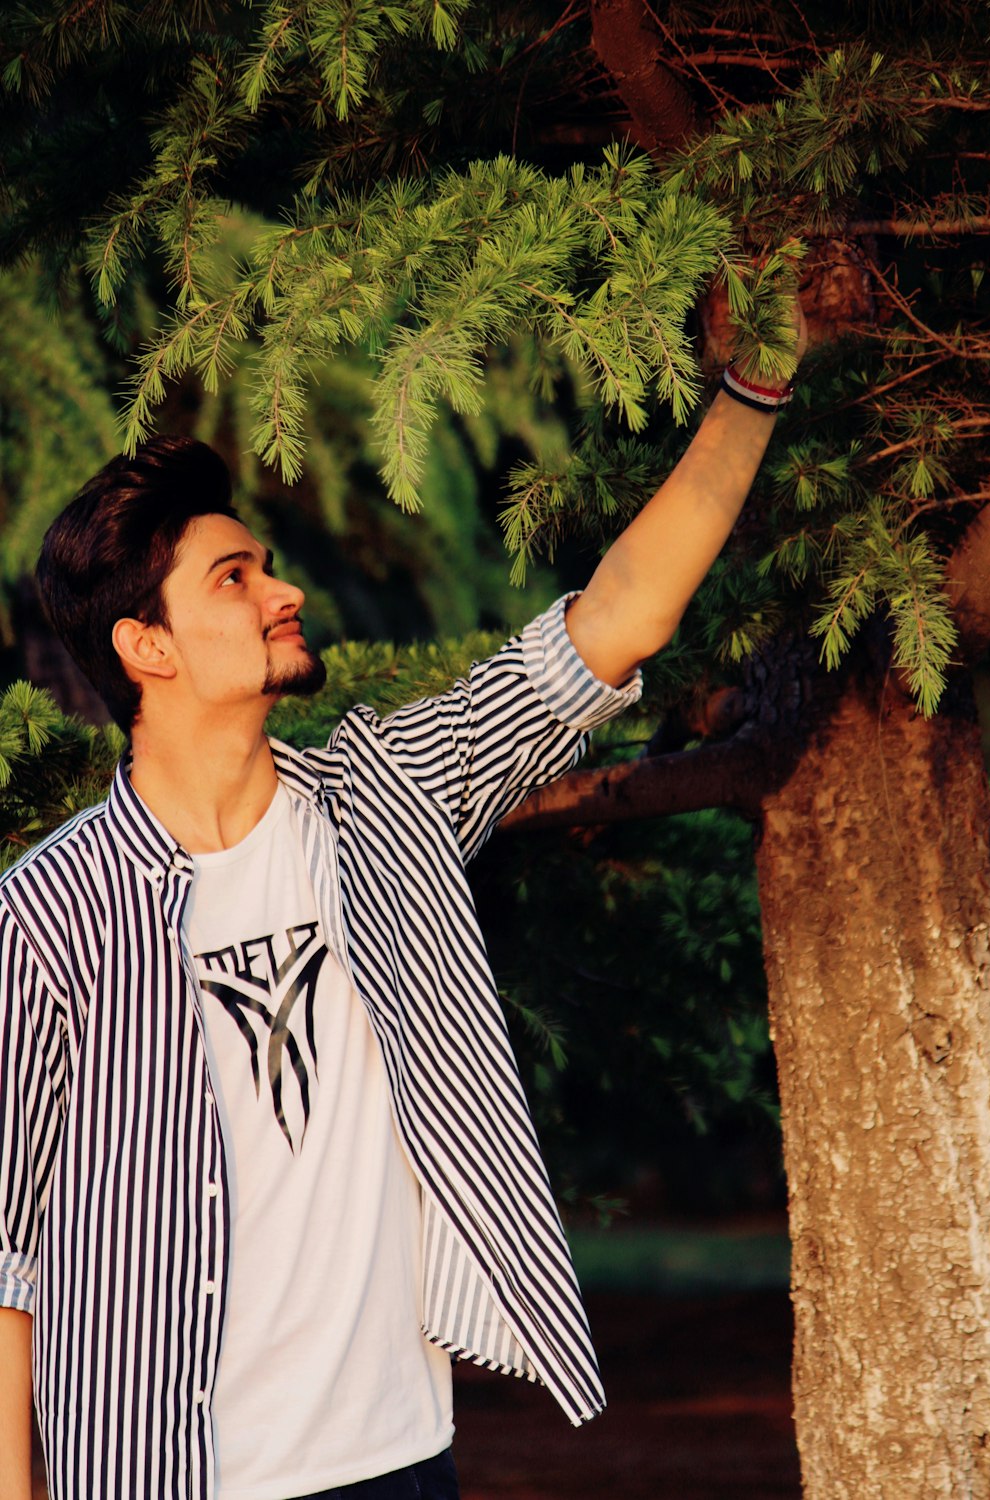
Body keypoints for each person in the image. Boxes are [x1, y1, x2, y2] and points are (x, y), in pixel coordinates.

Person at [0, 342, 800, 1500]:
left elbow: (616, 623)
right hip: (159, 1470)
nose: (283, 593)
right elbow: (5, 1252)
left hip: (395, 1461)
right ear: (146, 646)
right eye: (232, 579)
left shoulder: (390, 800)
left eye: (265, 567)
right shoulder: (51, 911)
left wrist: (754, 387)